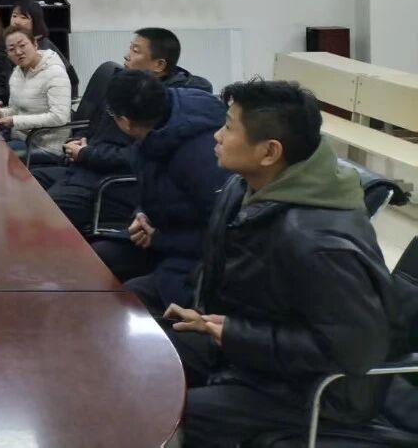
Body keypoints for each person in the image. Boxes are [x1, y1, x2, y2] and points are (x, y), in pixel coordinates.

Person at [163, 79, 393, 448]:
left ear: (269, 152)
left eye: (229, 128)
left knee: (171, 412)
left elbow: (354, 350)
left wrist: (235, 334)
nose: (216, 136)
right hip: (257, 356)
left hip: (316, 390)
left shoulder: (318, 243)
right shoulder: (245, 189)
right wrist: (207, 319)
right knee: (151, 356)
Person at [38, 27, 212, 233]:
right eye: (130, 48)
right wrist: (78, 140)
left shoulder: (159, 105)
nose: (127, 55)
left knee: (42, 213)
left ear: (159, 65)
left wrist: (86, 154)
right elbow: (93, 123)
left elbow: (137, 156)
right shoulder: (123, 82)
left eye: (136, 51)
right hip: (85, 165)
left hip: (106, 180)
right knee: (28, 183)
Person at [89, 69, 231, 312]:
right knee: (92, 260)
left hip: (192, 258)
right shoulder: (158, 121)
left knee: (126, 303)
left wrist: (159, 238)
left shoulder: (201, 157)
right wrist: (141, 213)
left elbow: (224, 235)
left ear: (125, 122)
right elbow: (155, 188)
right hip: (160, 236)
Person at [0, 28, 71, 141]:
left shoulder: (55, 72)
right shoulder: (17, 73)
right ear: (7, 54)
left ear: (35, 44)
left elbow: (59, 117)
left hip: (44, 143)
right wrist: (2, 113)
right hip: (19, 136)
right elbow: (17, 109)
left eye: (22, 45)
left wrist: (14, 121)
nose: (18, 52)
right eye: (11, 49)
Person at [8, 0, 79, 96]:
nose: (16, 21)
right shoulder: (10, 41)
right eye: (14, 16)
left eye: (23, 18)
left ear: (35, 21)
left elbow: (71, 79)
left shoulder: (43, 47)